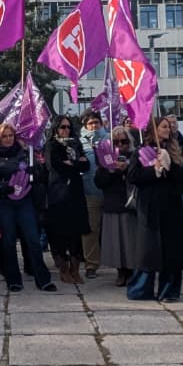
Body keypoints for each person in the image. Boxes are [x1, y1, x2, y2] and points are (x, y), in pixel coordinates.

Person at [125, 115, 183, 302]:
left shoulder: (177, 149)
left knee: (172, 251)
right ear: (153, 130)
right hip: (149, 206)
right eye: (163, 126)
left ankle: (169, 291)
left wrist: (170, 167)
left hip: (171, 206)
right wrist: (153, 171)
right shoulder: (141, 151)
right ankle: (141, 289)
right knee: (148, 251)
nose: (168, 129)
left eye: (169, 126)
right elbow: (133, 176)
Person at [0, 123, 56, 293]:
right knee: (8, 241)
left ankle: (43, 279)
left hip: (24, 202)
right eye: (4, 136)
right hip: (4, 202)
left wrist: (35, 170)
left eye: (10, 135)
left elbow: (39, 175)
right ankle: (13, 278)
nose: (8, 139)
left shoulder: (24, 153)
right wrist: (2, 187)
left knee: (33, 240)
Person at [43, 117, 90, 285]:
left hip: (75, 193)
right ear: (56, 128)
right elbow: (54, 166)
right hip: (58, 194)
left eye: (68, 127)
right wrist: (74, 164)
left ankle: (75, 269)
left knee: (76, 232)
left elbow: (86, 165)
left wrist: (73, 163)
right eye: (62, 127)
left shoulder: (75, 144)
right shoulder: (51, 145)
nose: (66, 130)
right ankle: (63, 268)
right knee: (60, 233)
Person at [95, 126, 138, 286]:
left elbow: (138, 176)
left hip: (129, 204)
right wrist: (112, 170)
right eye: (116, 141)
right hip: (113, 202)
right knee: (116, 242)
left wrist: (126, 170)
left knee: (130, 241)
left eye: (124, 140)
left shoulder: (135, 155)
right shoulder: (105, 157)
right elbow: (99, 181)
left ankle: (132, 271)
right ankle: (120, 271)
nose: (120, 144)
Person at [78, 111, 106, 278]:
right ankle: (91, 264)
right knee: (90, 229)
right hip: (90, 190)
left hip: (110, 192)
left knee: (111, 229)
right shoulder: (79, 143)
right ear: (85, 125)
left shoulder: (109, 139)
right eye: (90, 123)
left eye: (96, 122)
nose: (94, 126)